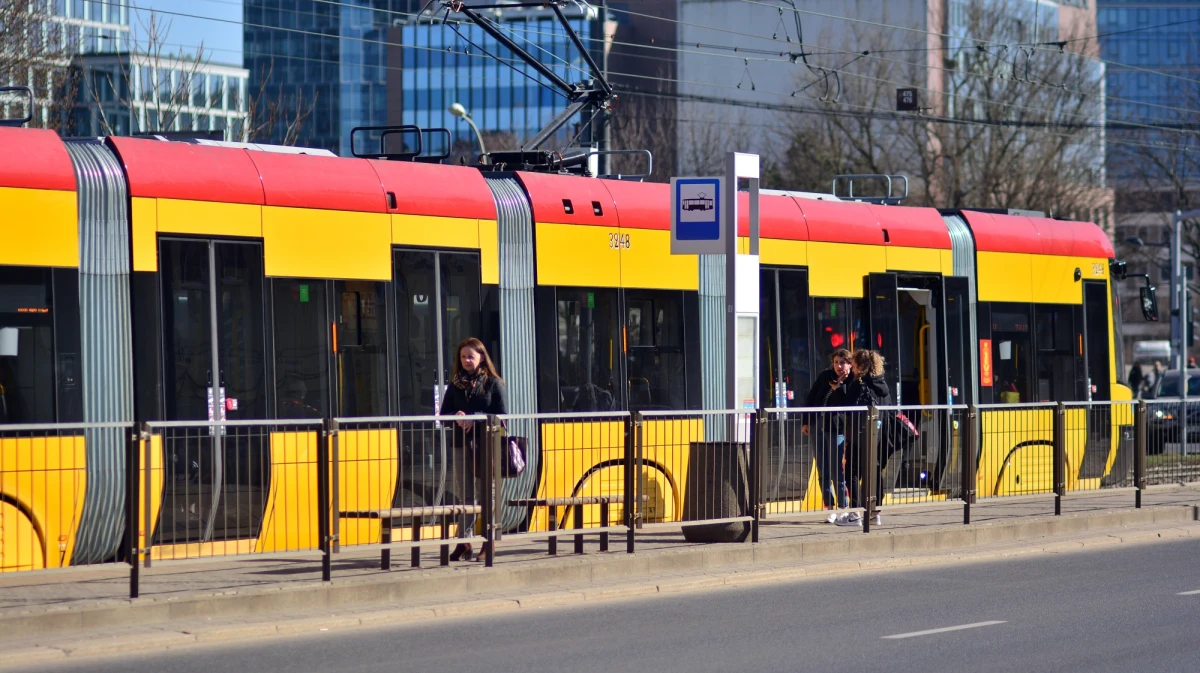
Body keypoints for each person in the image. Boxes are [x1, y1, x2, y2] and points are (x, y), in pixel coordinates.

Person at [439, 337, 508, 562]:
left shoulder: (494, 383)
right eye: (463, 357)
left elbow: (503, 417)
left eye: (470, 356)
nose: (466, 360)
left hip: (486, 445)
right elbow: (442, 416)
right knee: (465, 495)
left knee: (487, 494)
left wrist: (474, 417)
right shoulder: (455, 384)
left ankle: (489, 542)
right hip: (461, 445)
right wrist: (456, 416)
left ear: (481, 357)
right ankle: (464, 542)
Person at [840, 350, 891, 527]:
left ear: (861, 366)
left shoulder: (859, 384)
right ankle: (874, 514)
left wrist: (841, 387)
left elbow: (847, 406)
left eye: (854, 365)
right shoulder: (883, 386)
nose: (852, 369)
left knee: (852, 472)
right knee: (874, 472)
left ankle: (855, 514)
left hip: (858, 436)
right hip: (878, 437)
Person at [802, 349, 852, 524]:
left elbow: (848, 404)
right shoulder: (825, 376)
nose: (839, 366)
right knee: (822, 470)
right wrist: (806, 421)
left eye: (843, 362)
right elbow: (811, 398)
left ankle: (843, 508)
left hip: (836, 429)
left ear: (850, 364)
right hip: (818, 426)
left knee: (837, 470)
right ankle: (829, 507)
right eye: (836, 362)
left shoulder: (852, 381)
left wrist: (839, 388)